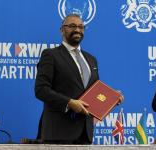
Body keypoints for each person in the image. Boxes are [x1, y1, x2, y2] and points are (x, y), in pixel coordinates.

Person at [35, 14, 100, 144]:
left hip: (85, 133)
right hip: (58, 133)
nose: (77, 30)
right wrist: (69, 102)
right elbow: (41, 90)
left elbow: (94, 91)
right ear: (62, 30)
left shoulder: (91, 59)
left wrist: (111, 97)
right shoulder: (50, 55)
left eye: (81, 27)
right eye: (72, 26)